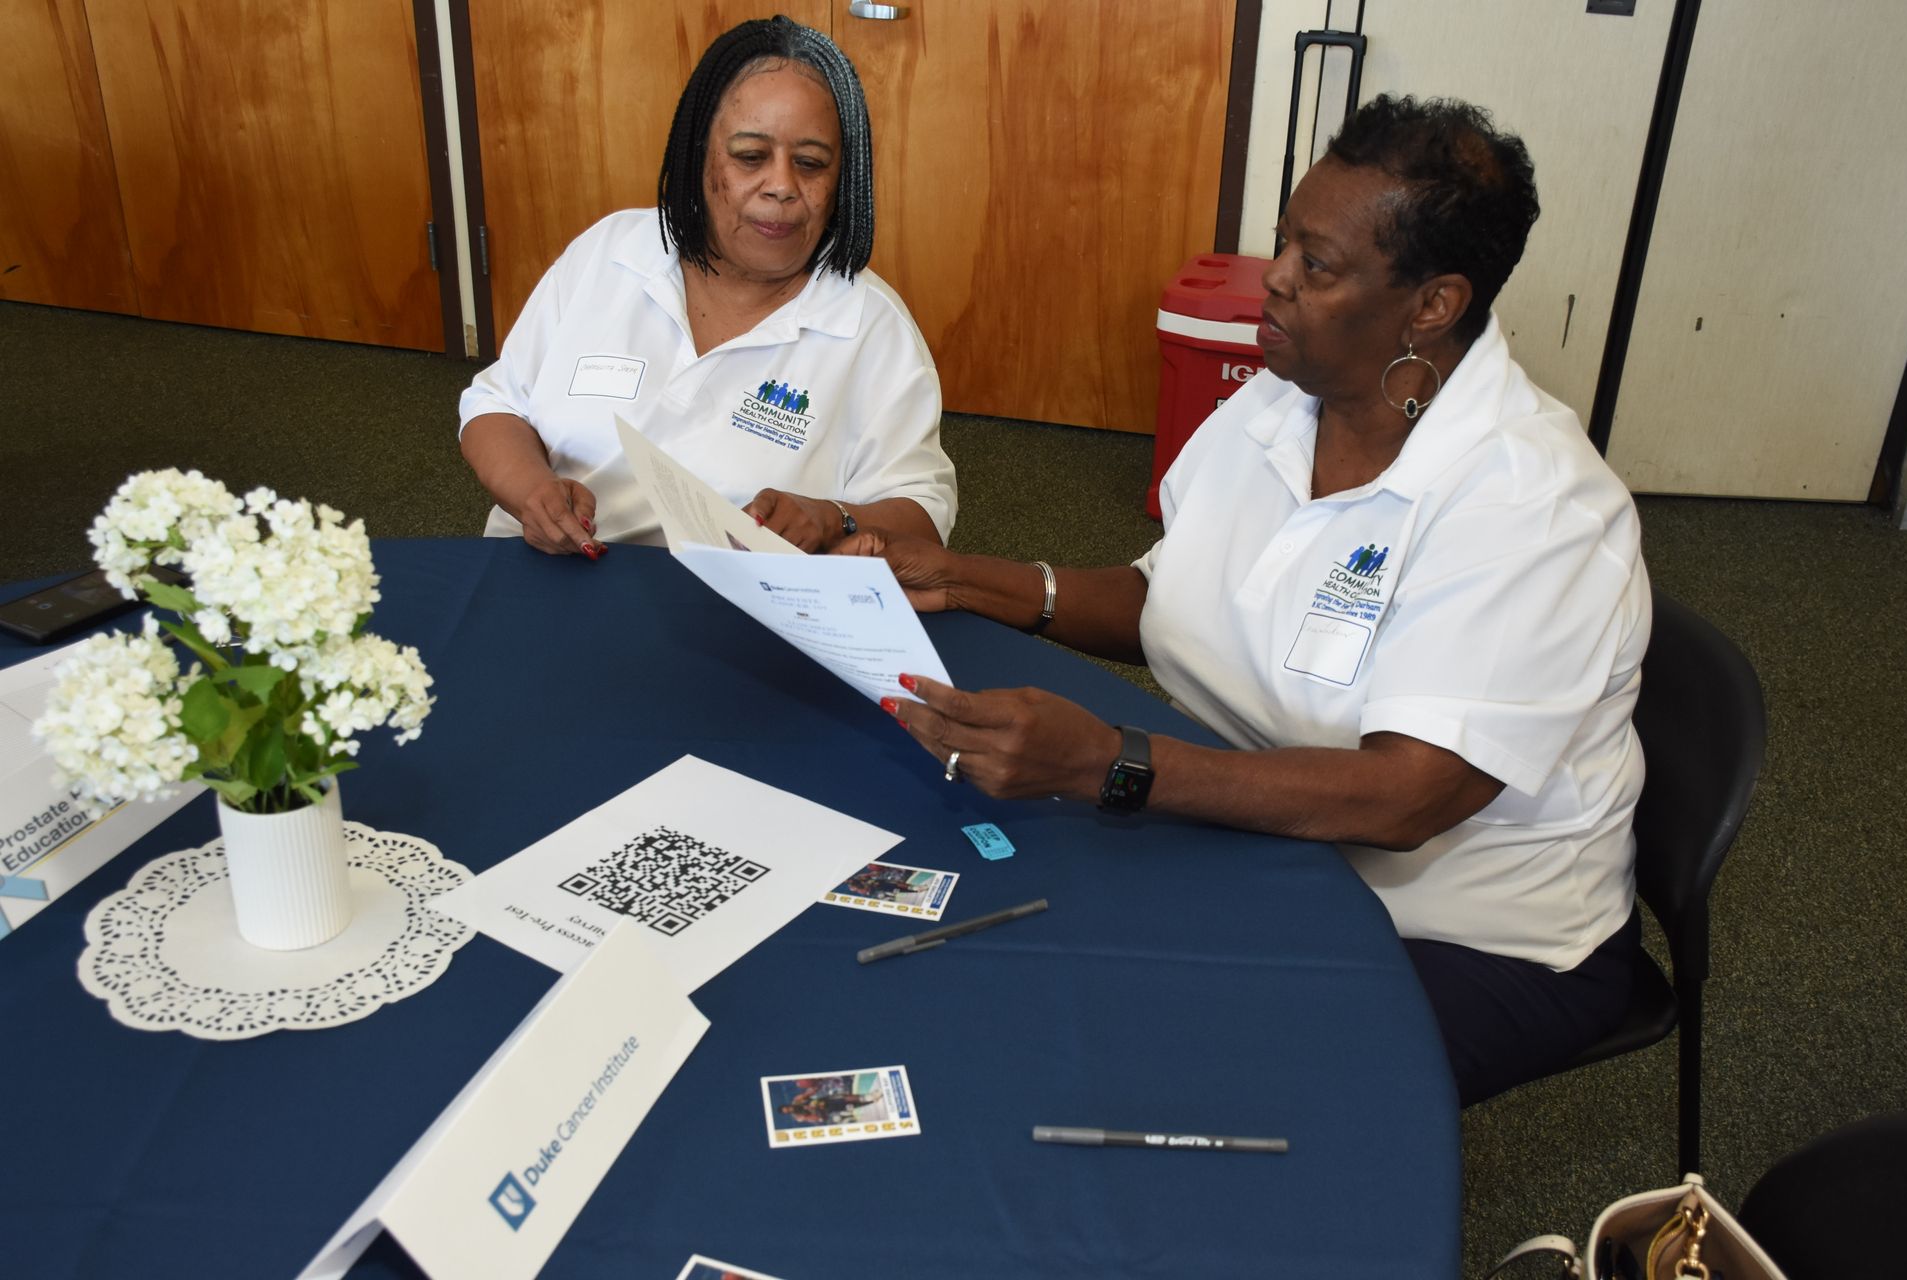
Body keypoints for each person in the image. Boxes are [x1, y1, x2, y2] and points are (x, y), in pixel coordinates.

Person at [846, 95, 1652, 1107]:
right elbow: (1167, 596)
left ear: (1432, 305)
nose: (1273, 276)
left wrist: (1112, 762)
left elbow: (1406, 798)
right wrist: (965, 577)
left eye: (1315, 265)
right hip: (1256, 830)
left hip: (1462, 931)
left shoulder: (1536, 508)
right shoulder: (1291, 390)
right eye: (1283, 241)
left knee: (1159, 1077)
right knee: (1003, 964)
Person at [458, 16, 956, 558]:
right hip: (550, 572)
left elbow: (922, 511)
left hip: (736, 607)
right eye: (750, 157)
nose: (783, 187)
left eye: (811, 164)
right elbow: (497, 404)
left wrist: (834, 519)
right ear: (698, 158)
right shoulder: (613, 251)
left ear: (843, 180)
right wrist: (533, 491)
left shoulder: (869, 322)